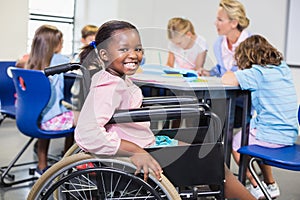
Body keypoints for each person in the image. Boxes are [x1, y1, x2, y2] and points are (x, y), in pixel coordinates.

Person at [74, 20, 255, 200]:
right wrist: (135, 151)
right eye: (124, 49)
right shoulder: (108, 86)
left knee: (206, 153)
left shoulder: (117, 79)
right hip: (138, 152)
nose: (134, 55)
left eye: (137, 49)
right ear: (104, 54)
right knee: (214, 162)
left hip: (146, 143)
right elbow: (88, 133)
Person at [222, 35, 299, 199]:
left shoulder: (256, 73)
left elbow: (227, 80)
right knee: (251, 132)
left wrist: (231, 70)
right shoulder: (282, 68)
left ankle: (255, 185)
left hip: (271, 136)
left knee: (236, 143)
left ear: (246, 57)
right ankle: (270, 184)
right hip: (290, 134)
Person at [25, 25, 75, 176]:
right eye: (61, 41)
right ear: (54, 44)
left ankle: (42, 165)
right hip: (50, 121)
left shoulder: (31, 62)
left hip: (34, 118)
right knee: (82, 118)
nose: (63, 44)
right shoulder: (60, 59)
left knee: (55, 112)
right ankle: (67, 161)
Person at [208, 0, 251, 77]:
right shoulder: (218, 44)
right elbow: (222, 70)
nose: (215, 23)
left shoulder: (253, 44)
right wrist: (209, 73)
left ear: (234, 23)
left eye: (220, 20)